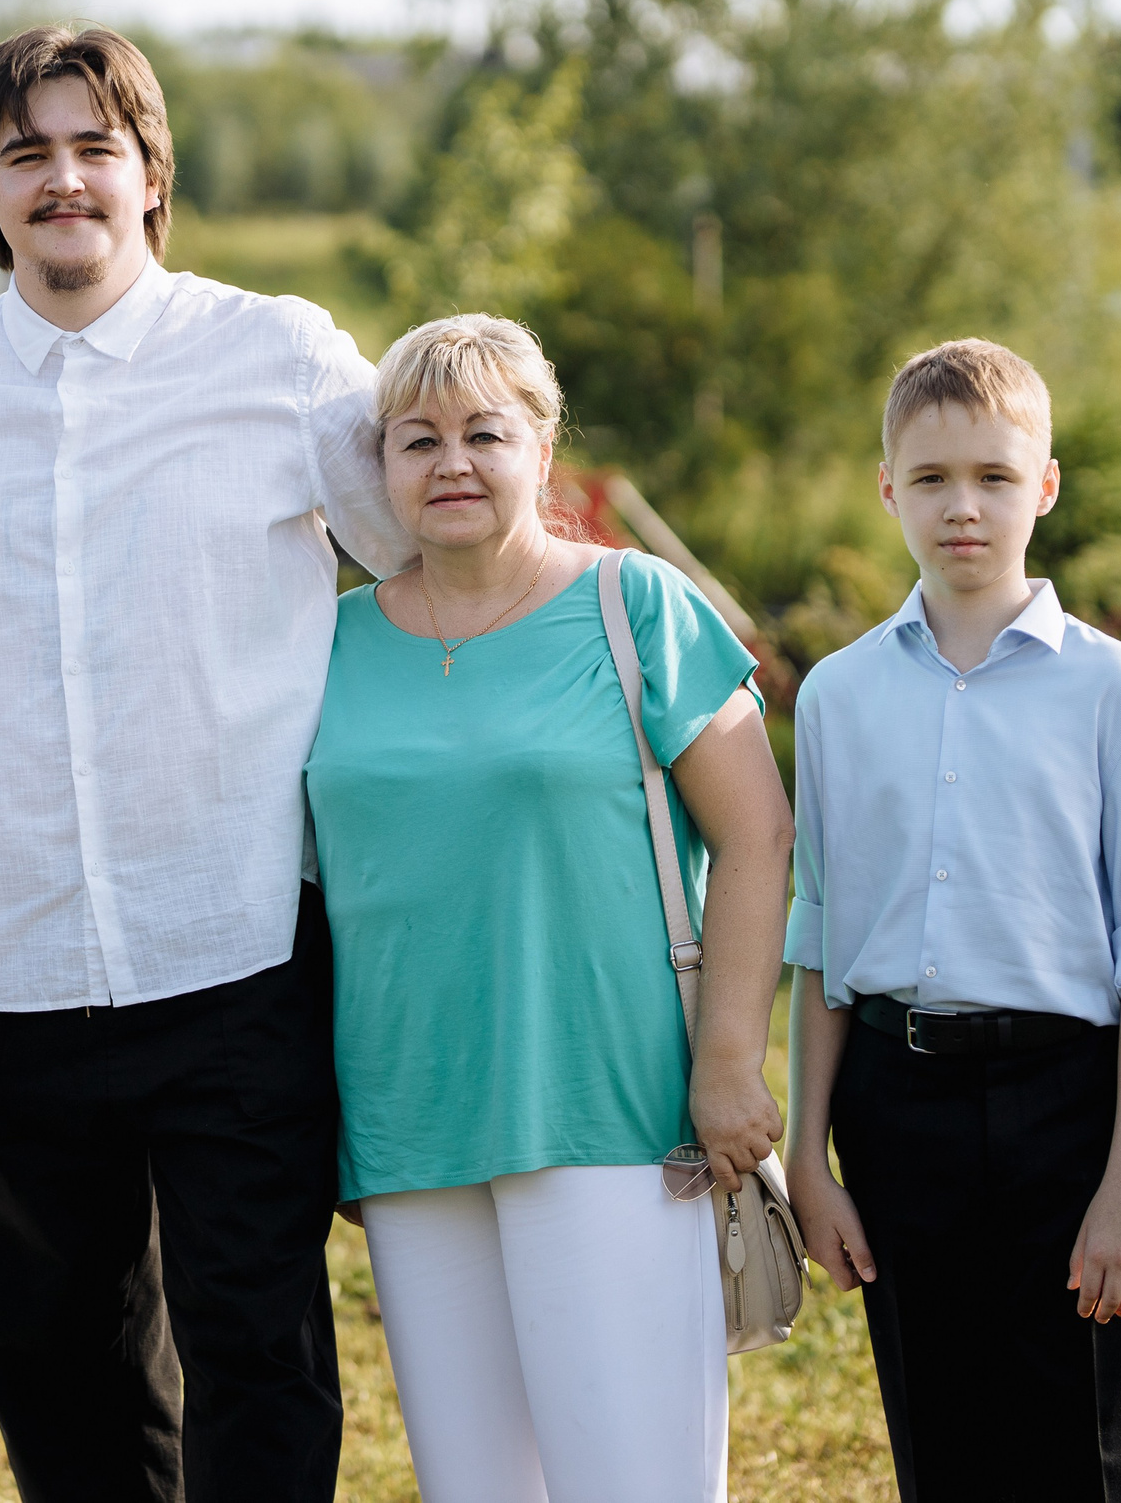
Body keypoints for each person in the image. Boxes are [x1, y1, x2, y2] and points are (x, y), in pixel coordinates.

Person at [0, 24, 415, 1503]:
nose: (62, 179)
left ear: (150, 176)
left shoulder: (280, 356)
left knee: (257, 1350)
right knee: (52, 1366)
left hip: (234, 940)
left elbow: (431, 556)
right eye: (26, 153)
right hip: (5, 957)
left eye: (93, 148)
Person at [301, 315, 791, 1503]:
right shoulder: (327, 641)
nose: (451, 463)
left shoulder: (635, 604)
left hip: (611, 1110)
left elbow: (759, 835)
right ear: (381, 465)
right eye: (417, 440)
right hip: (407, 1123)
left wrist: (728, 1058)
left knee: (633, 1482)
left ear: (542, 446)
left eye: (484, 434)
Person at [783, 338, 1121, 1503]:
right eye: (930, 479)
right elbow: (819, 940)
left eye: (993, 477)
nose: (961, 506)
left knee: (1091, 1452)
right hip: (894, 1105)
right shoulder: (837, 696)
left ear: (1044, 486)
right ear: (887, 490)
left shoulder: (1113, 690)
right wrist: (808, 1159)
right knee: (942, 1438)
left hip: (1070, 1104)